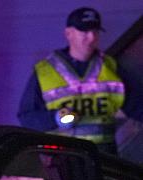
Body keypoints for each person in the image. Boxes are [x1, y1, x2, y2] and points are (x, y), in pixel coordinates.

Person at [17, 7, 143, 155]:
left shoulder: (111, 68)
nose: (91, 37)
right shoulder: (46, 71)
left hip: (104, 157)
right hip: (62, 155)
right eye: (84, 31)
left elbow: (137, 107)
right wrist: (56, 118)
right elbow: (27, 117)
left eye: (95, 32)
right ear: (68, 33)